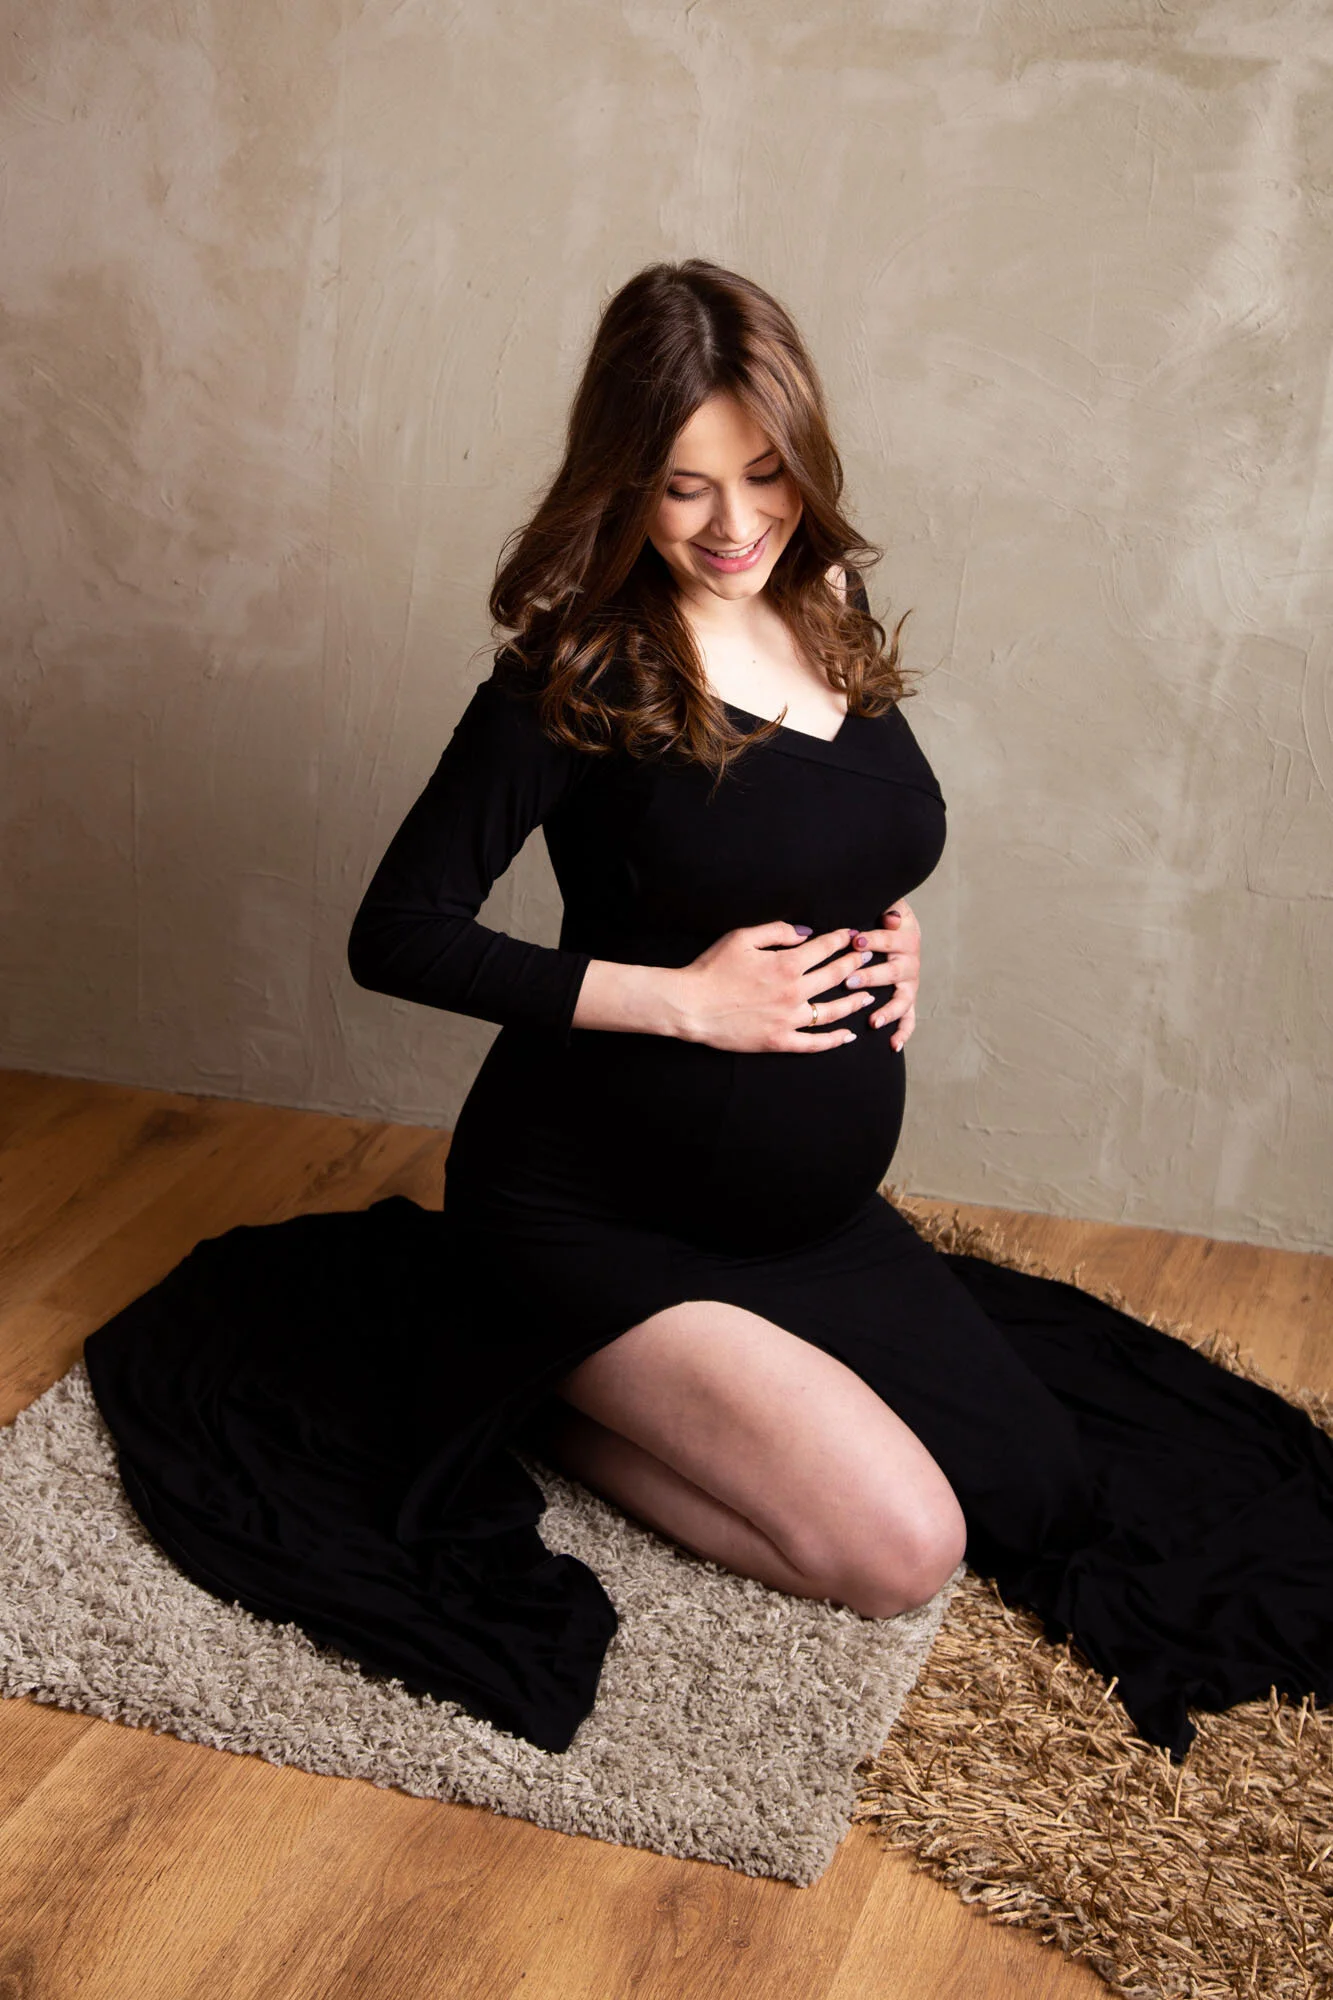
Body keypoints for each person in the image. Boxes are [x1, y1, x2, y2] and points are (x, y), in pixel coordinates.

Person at [84, 259, 1333, 1764]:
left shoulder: (826, 602)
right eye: (684, 488)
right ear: (624, 481)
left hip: (813, 1222)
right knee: (903, 1549)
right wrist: (685, 1004)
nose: (736, 524)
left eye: (765, 474)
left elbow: (840, 826)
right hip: (594, 1212)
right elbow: (396, 934)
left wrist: (898, 935)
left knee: (1048, 1488)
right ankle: (536, 1384)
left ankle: (617, 1376)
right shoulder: (576, 669)